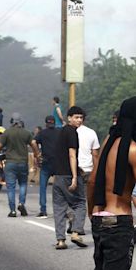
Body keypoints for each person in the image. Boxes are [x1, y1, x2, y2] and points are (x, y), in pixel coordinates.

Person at [88, 96, 136, 270]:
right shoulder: (134, 150)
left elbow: (92, 181)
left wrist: (92, 213)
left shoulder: (107, 142)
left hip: (100, 216)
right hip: (119, 221)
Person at [52, 106, 88, 249]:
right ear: (69, 118)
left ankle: (60, 240)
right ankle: (75, 232)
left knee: (59, 208)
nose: (79, 120)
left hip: (58, 176)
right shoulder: (73, 133)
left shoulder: (61, 132)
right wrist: (74, 176)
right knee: (80, 204)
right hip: (69, 175)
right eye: (76, 117)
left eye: (81, 118)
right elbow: (72, 155)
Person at [0, 113, 40, 217]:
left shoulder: (7, 133)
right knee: (23, 184)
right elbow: (34, 145)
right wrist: (37, 156)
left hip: (10, 163)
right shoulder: (26, 133)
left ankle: (13, 210)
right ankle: (21, 203)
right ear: (21, 121)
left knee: (11, 187)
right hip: (23, 163)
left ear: (11, 121)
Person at [35, 116, 59, 218]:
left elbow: (33, 142)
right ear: (54, 123)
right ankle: (63, 210)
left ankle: (43, 210)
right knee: (61, 188)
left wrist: (38, 154)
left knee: (43, 188)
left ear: (46, 123)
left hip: (46, 163)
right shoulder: (59, 132)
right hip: (58, 163)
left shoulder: (42, 133)